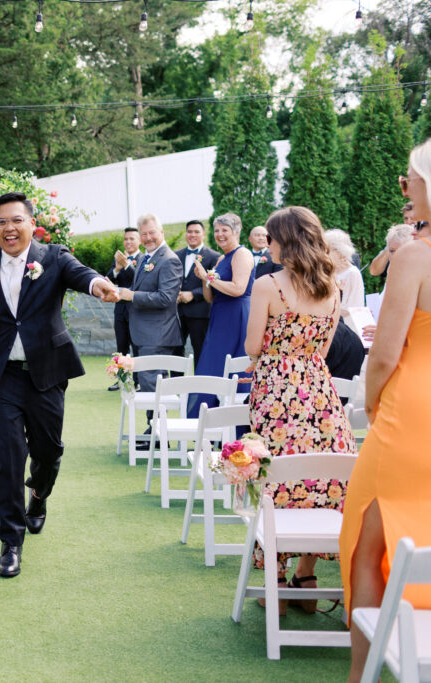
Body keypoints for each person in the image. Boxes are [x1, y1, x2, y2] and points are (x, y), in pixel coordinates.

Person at [0, 191, 119, 578]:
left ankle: (38, 495)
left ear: (31, 223)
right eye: (1, 222)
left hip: (47, 373)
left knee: (48, 448)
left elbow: (84, 276)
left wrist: (98, 286)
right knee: (7, 454)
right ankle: (11, 540)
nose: (9, 228)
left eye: (16, 220)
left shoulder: (53, 258)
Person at [341, 141, 431, 682]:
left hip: (411, 413)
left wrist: (374, 404)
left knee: (367, 544)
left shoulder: (416, 255)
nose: (405, 188)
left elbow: (384, 354)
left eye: (409, 180)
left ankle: (362, 676)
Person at [244, 206, 356, 615]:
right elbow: (324, 351)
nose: (267, 245)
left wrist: (273, 355)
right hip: (320, 393)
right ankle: (305, 574)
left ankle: (276, 580)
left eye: (271, 238)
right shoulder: (332, 289)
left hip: (276, 393)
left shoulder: (268, 286)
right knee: (322, 478)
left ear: (285, 241)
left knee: (276, 479)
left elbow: (253, 347)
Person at [187, 213, 254, 417]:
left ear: (236, 231)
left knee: (234, 366)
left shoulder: (242, 254)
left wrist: (209, 276)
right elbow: (209, 297)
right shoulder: (221, 258)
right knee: (213, 364)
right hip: (220, 315)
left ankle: (236, 422)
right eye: (217, 230)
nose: (220, 234)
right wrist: (203, 278)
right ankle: (209, 421)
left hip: (238, 316)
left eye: (224, 229)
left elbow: (238, 288)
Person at [116, 213, 183, 398]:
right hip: (143, 334)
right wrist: (118, 294)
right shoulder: (147, 258)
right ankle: (154, 425)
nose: (148, 238)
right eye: (143, 234)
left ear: (161, 232)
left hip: (158, 335)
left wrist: (132, 295)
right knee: (148, 385)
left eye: (151, 233)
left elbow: (166, 298)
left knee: (152, 386)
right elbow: (140, 288)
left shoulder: (169, 260)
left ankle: (155, 426)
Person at [176, 219, 220, 367]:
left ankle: (200, 387)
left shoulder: (214, 256)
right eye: (189, 232)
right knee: (175, 350)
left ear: (203, 234)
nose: (192, 235)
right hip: (177, 312)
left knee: (200, 350)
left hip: (200, 313)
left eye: (196, 232)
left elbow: (215, 284)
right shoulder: (176, 255)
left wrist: (193, 294)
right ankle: (177, 385)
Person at [105, 227, 141, 390]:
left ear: (139, 240)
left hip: (136, 310)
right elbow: (107, 279)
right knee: (121, 345)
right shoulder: (119, 259)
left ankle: (139, 380)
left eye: (132, 239)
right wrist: (117, 268)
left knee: (137, 345)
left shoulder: (143, 259)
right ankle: (121, 379)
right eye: (126, 239)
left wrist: (127, 266)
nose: (128, 242)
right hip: (120, 309)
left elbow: (139, 281)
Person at [324, 229, 365, 310]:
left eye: (327, 249)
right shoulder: (326, 270)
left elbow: (354, 308)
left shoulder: (353, 273)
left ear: (338, 251)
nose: (324, 253)